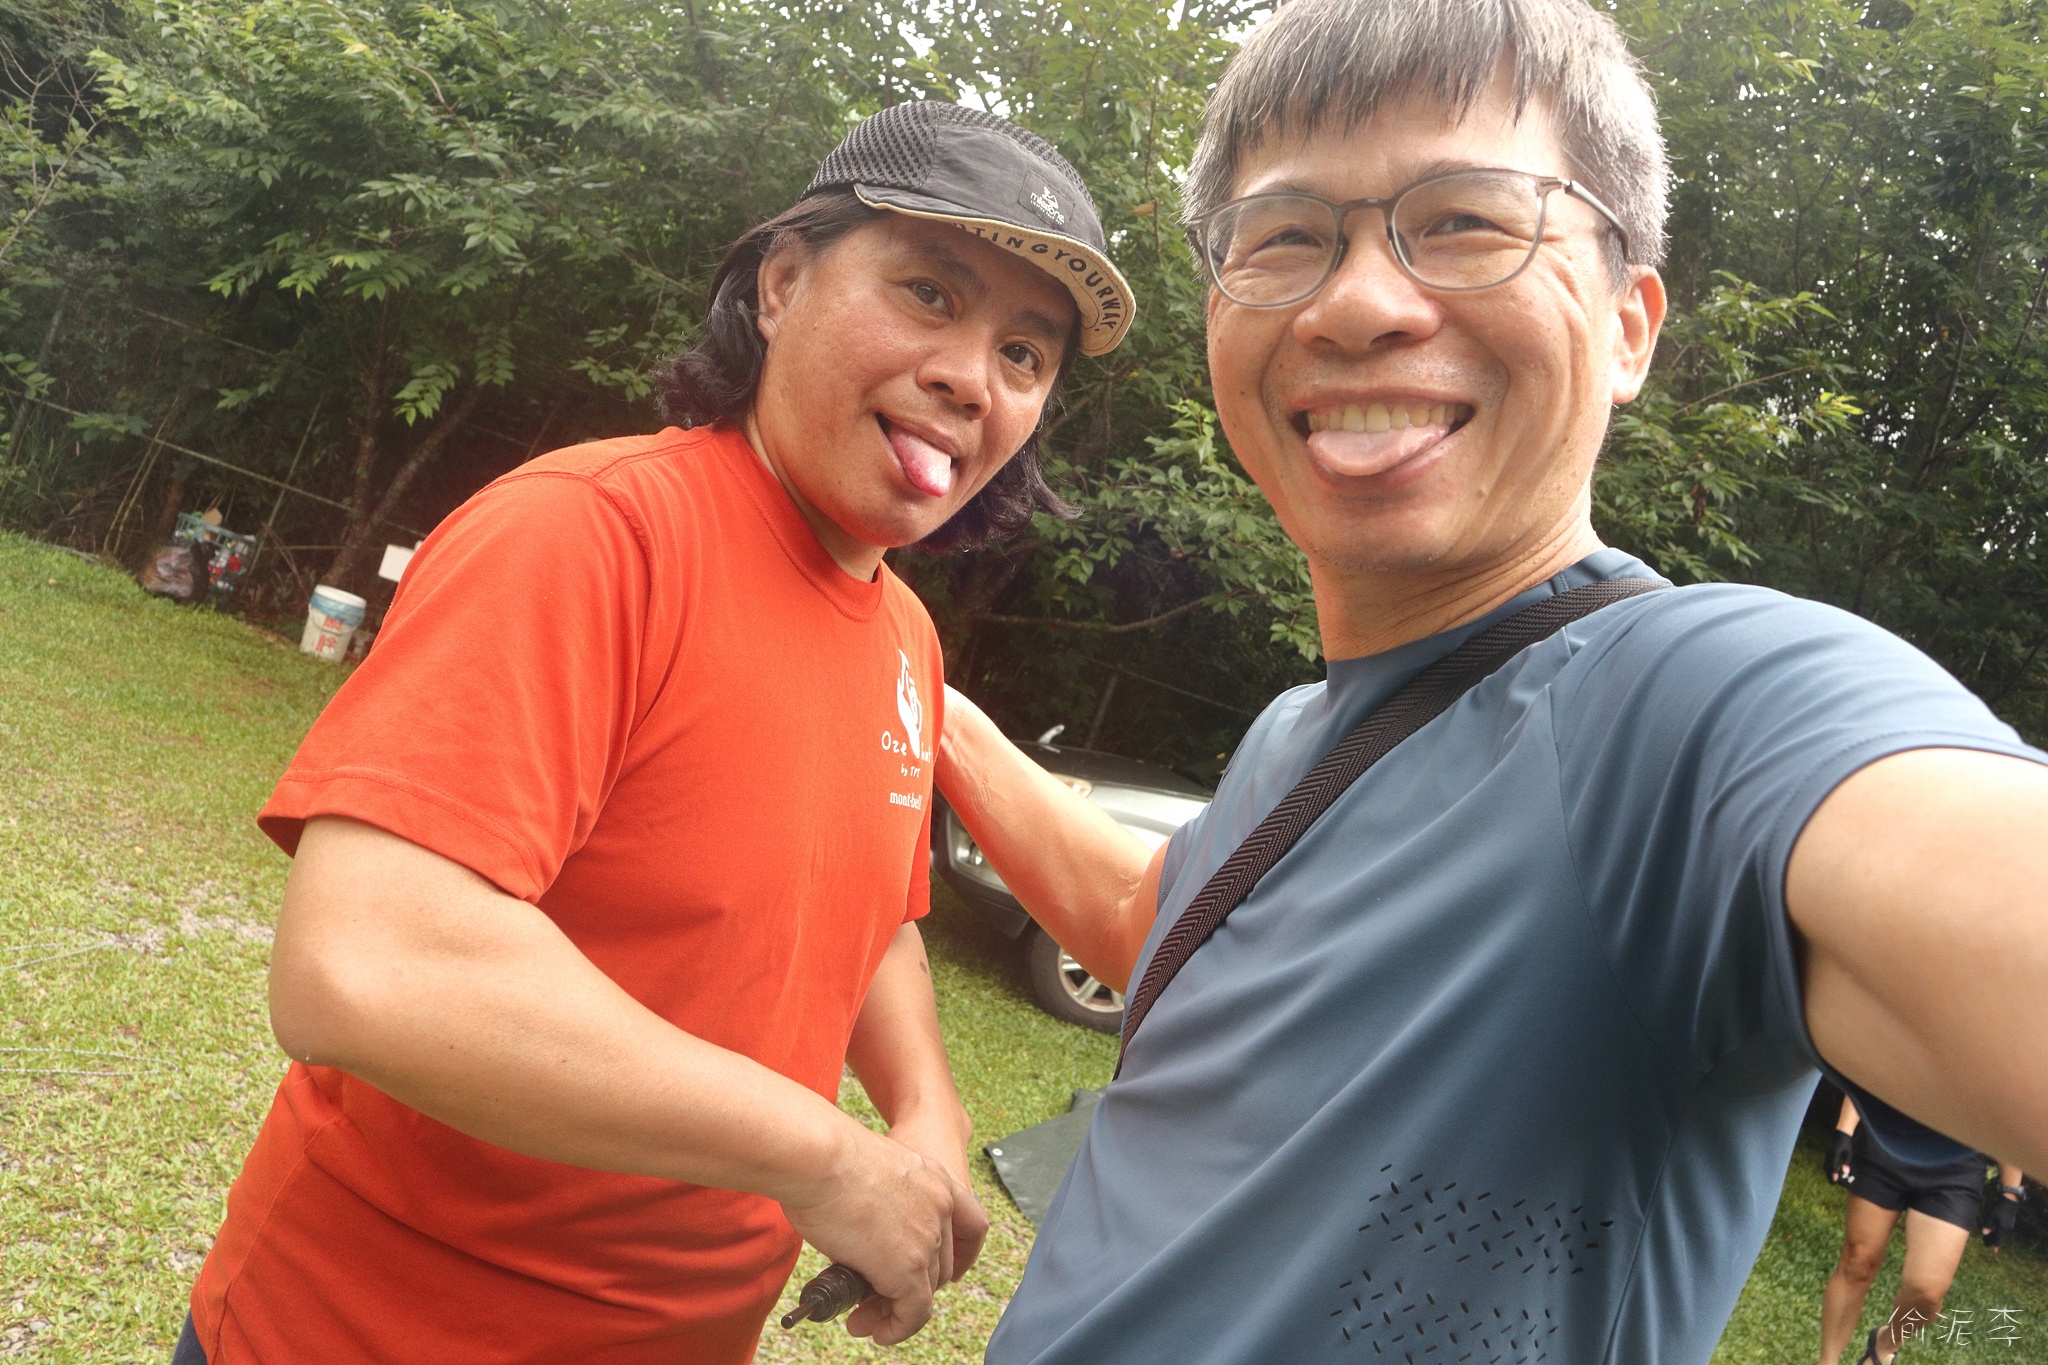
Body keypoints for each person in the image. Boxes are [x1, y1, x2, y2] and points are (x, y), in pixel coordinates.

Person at [932, 1, 2048, 1361]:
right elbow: (1147, 922)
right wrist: (921, 690)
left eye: (1463, 219)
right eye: (1283, 237)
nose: (1354, 302)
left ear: (1629, 327)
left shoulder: (1686, 712)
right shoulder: (1296, 735)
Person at [172, 101, 1132, 1365]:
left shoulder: (902, 638)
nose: (971, 377)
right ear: (781, 285)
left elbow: (865, 920)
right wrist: (820, 1155)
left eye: (1023, 353)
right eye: (928, 294)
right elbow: (370, 964)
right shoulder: (589, 535)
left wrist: (926, 1113)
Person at [1818, 1096, 2025, 1364]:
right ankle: (1828, 1360)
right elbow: (1881, 1070)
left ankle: (1883, 1345)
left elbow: (2009, 1105)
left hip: (1958, 1166)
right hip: (1889, 1139)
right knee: (1857, 1261)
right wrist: (1845, 1130)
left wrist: (2010, 1193)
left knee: (1928, 1291)